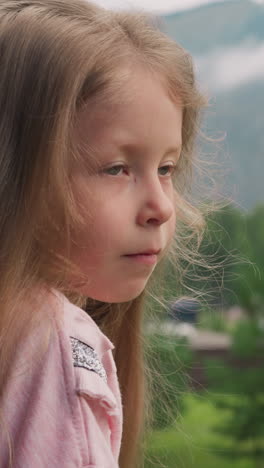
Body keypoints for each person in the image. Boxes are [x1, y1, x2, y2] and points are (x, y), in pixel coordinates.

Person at [0, 1, 207, 467]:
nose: (161, 206)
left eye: (167, 168)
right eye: (116, 168)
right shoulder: (53, 342)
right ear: (13, 175)